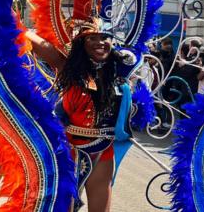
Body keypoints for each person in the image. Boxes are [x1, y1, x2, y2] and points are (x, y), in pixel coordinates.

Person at [26, 17, 133, 212]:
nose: (100, 42)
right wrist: (8, 18)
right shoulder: (70, 69)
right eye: (92, 38)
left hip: (103, 150)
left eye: (105, 37)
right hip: (69, 150)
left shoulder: (119, 75)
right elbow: (38, 44)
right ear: (81, 44)